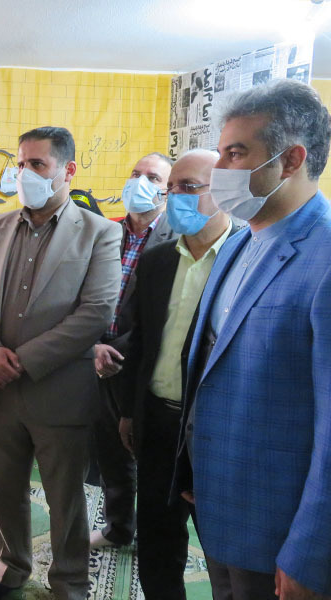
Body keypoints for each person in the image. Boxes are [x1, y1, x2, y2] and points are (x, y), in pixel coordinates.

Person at [175, 79, 331, 598]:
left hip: (279, 526)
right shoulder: (240, 243)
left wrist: (311, 551)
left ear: (290, 161)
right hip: (218, 500)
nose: (218, 170)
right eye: (220, 153)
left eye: (235, 154)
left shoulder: (325, 258)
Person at [0, 126, 121, 599]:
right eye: (20, 163)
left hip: (59, 390)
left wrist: (23, 360)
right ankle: (11, 569)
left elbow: (96, 312)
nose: (24, 173)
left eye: (37, 164)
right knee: (3, 489)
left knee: (64, 499)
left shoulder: (99, 232)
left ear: (67, 171)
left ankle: (69, 582)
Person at [116, 149, 242, 599]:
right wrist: (130, 412)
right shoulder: (156, 261)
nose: (175, 198)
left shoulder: (248, 259)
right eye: (171, 189)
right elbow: (140, 343)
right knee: (157, 545)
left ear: (224, 191)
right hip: (157, 425)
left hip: (215, 433)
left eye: (189, 187)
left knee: (226, 556)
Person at [90, 151, 174, 549]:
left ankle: (156, 541)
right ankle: (118, 528)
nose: (140, 182)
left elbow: (165, 314)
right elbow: (79, 295)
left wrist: (117, 351)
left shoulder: (177, 239)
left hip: (142, 367)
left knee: (150, 456)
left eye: (153, 177)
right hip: (94, 360)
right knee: (110, 454)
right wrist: (92, 347)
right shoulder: (105, 232)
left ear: (169, 190)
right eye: (136, 173)